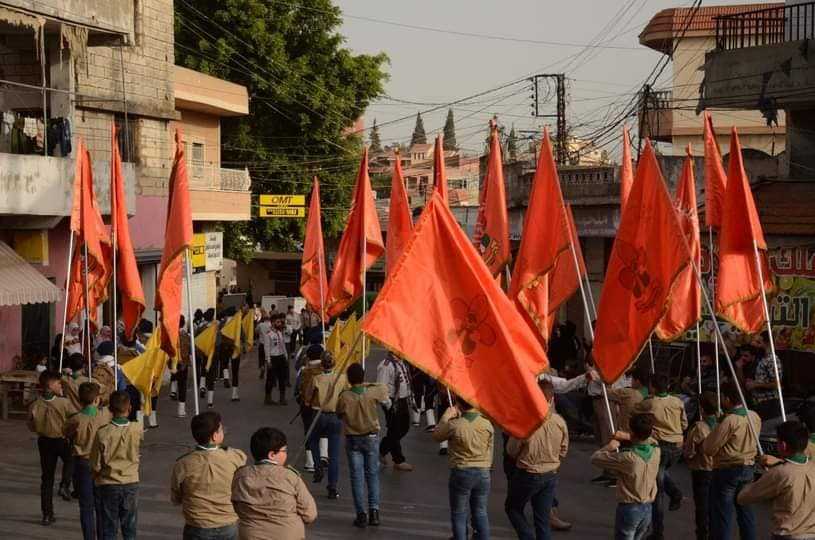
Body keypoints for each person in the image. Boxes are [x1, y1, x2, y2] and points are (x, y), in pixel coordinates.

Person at [505, 379, 568, 540]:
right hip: (550, 473)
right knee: (543, 519)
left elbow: (511, 450)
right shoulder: (559, 422)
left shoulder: (525, 421)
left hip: (528, 472)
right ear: (551, 399)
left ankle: (527, 536)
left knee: (513, 508)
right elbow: (563, 449)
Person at [171, 411, 247, 540]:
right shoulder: (235, 457)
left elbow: (176, 496)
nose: (223, 432)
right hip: (227, 524)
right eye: (221, 429)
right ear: (214, 436)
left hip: (197, 525)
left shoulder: (183, 464)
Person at [231, 427, 318, 539]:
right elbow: (310, 514)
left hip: (251, 535)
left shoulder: (241, 476)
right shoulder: (291, 477)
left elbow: (237, 506)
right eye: (284, 451)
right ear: (272, 454)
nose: (286, 454)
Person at [702, 382, 761, 540]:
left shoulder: (730, 420)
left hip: (728, 470)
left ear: (727, 398)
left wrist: (717, 426)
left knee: (723, 516)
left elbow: (708, 448)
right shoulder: (754, 416)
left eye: (722, 397)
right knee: (746, 513)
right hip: (748, 468)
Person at [737, 420, 815, 539]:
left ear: (783, 445)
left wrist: (768, 474)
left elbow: (743, 497)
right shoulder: (812, 467)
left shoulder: (779, 473)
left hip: (788, 535)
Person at [631, 374, 687, 539]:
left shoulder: (651, 403)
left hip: (661, 446)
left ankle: (658, 531)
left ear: (653, 387)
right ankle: (675, 493)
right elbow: (684, 423)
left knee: (657, 490)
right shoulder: (677, 401)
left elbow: (634, 410)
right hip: (676, 446)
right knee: (660, 474)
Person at [336, 363, 391, 528]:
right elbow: (383, 388)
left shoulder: (345, 396)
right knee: (372, 475)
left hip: (353, 438)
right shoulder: (371, 392)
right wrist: (366, 384)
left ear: (349, 379)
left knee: (357, 477)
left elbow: (339, 413)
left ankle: (361, 514)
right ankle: (374, 511)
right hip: (371, 437)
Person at [432, 395, 494, 540]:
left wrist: (446, 416)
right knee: (480, 511)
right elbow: (490, 450)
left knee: (459, 512)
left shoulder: (455, 425)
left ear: (458, 404)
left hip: (462, 471)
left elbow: (437, 436)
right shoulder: (486, 424)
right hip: (483, 471)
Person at [591, 413, 660, 540]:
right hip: (648, 508)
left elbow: (595, 458)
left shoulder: (628, 458)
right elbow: (653, 440)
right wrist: (629, 436)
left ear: (632, 433)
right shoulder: (656, 451)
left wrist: (610, 447)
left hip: (630, 508)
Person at [91, 390, 143, 540]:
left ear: (110, 409)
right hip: (131, 481)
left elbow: (95, 463)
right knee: (130, 528)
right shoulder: (137, 429)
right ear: (129, 408)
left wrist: (96, 476)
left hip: (109, 482)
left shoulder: (102, 433)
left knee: (109, 527)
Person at [28, 369, 76, 526]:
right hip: (61, 440)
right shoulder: (63, 402)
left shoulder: (35, 404)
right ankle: (64, 484)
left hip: (44, 441)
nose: (60, 385)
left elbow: (31, 425)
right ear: (50, 385)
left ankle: (47, 514)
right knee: (72, 460)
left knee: (47, 479)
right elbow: (75, 420)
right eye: (58, 383)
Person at [64, 382, 111, 540]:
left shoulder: (76, 419)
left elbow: (66, 432)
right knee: (101, 505)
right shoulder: (104, 415)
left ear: (79, 400)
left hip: (82, 463)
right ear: (97, 399)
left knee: (86, 507)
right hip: (101, 463)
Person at [305, 351, 347, 499]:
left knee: (312, 440)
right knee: (334, 454)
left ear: (322, 364)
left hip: (318, 414)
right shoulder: (342, 378)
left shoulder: (316, 379)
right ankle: (332, 487)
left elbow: (307, 398)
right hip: (335, 416)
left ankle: (317, 465)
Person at [683, 391, 717, 540]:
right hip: (718, 469)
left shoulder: (699, 427)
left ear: (702, 409)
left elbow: (689, 452)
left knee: (702, 508)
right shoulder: (722, 424)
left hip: (702, 470)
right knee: (715, 507)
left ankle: (702, 536)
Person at [377, 352, 415, 471]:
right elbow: (381, 387)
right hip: (392, 402)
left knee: (402, 428)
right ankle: (398, 460)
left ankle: (382, 451)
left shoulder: (401, 362)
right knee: (395, 429)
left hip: (402, 400)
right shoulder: (386, 365)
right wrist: (388, 404)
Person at [294, 344, 325, 473]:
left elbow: (296, 389)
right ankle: (323, 456)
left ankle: (310, 462)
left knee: (308, 431)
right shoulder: (325, 370)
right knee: (322, 431)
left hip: (306, 405)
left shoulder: (303, 370)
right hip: (322, 405)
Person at [608, 369, 650, 434]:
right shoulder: (649, 394)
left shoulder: (628, 392)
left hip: (626, 430)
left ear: (637, 381)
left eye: (632, 379)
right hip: (642, 432)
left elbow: (608, 392)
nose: (631, 382)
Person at [264, 314, 289, 405]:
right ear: (272, 323)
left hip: (281, 357)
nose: (280, 324)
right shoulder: (268, 334)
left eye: (280, 322)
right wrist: (268, 360)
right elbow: (266, 348)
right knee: (270, 379)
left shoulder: (279, 333)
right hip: (273, 358)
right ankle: (268, 398)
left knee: (282, 378)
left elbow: (283, 345)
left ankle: (282, 398)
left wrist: (285, 356)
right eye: (277, 322)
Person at [256, 313, 271, 379]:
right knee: (268, 358)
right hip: (269, 344)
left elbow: (256, 331)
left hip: (262, 344)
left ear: (263, 319)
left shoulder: (260, 324)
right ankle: (268, 371)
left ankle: (262, 367)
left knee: (261, 357)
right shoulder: (271, 325)